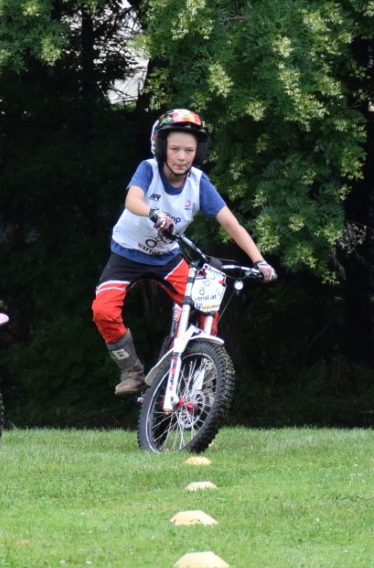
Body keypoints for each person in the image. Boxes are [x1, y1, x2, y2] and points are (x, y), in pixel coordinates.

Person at [91, 108, 277, 396]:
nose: (181, 156)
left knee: (208, 298)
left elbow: (231, 223)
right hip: (126, 255)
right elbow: (132, 200)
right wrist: (153, 213)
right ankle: (132, 370)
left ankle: (190, 361)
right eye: (175, 148)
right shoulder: (148, 170)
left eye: (189, 150)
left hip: (167, 258)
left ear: (198, 152)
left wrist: (260, 260)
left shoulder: (198, 182)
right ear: (161, 147)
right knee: (103, 311)